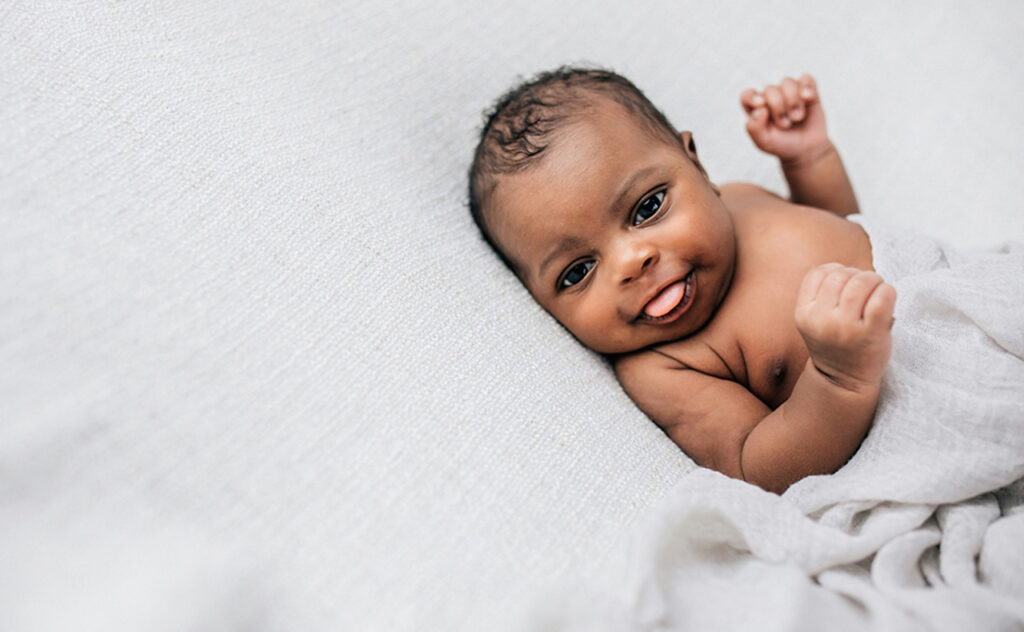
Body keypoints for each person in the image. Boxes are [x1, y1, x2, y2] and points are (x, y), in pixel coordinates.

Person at [468, 67, 897, 493]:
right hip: (901, 413)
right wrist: (837, 378)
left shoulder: (741, 198)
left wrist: (809, 160)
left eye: (647, 207)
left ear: (696, 164)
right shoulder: (662, 368)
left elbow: (846, 227)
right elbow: (757, 469)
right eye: (578, 271)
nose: (631, 263)